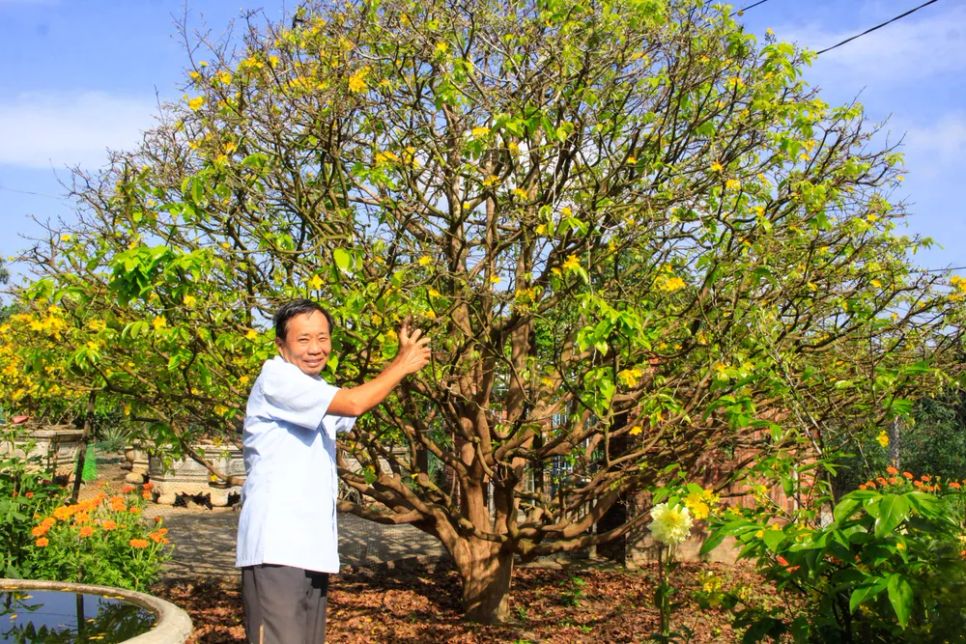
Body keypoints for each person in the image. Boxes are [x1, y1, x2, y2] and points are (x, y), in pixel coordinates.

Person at [235, 299, 431, 643]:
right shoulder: (277, 380)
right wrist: (400, 366)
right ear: (281, 346)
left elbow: (353, 404)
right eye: (304, 339)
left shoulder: (313, 387)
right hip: (277, 546)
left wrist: (397, 364)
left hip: (308, 545)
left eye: (323, 338)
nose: (315, 349)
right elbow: (355, 402)